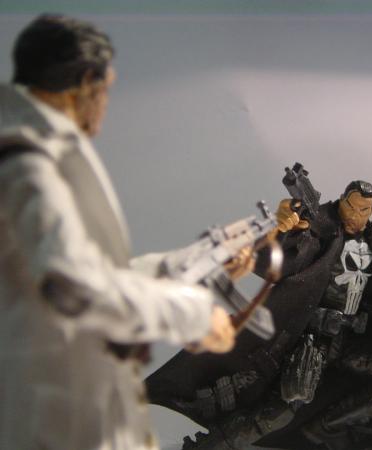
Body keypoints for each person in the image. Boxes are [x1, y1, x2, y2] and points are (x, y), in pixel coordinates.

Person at [0, 14, 248, 450]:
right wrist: (191, 314)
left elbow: (94, 272)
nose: (106, 102)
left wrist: (188, 264)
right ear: (85, 82)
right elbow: (73, 287)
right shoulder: (30, 166)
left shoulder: (44, 151)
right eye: (107, 87)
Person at [146, 179, 372, 450]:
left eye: (363, 210)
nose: (355, 215)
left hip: (350, 342)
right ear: (341, 202)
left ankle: (327, 427)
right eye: (350, 207)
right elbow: (279, 262)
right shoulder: (321, 235)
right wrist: (283, 229)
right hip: (315, 340)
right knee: (282, 408)